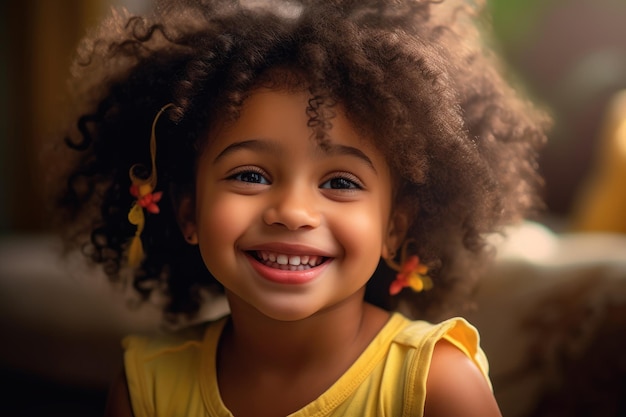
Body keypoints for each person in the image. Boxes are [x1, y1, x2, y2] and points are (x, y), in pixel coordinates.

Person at [53, 0, 548, 415]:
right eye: (250, 175)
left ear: (395, 227)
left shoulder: (434, 385)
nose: (292, 211)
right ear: (188, 213)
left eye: (339, 181)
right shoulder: (147, 389)